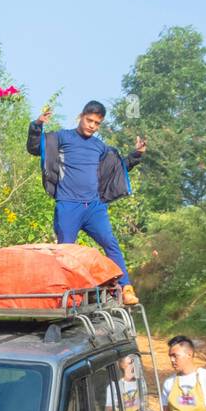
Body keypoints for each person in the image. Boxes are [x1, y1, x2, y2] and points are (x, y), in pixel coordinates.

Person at [26, 101, 145, 305]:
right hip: (68, 205)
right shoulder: (63, 137)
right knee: (65, 252)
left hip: (94, 207)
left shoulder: (99, 147)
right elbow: (35, 148)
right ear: (81, 116)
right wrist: (37, 125)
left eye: (97, 123)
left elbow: (116, 168)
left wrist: (136, 155)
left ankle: (126, 288)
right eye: (89, 120)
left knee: (111, 244)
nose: (92, 125)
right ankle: (62, 297)